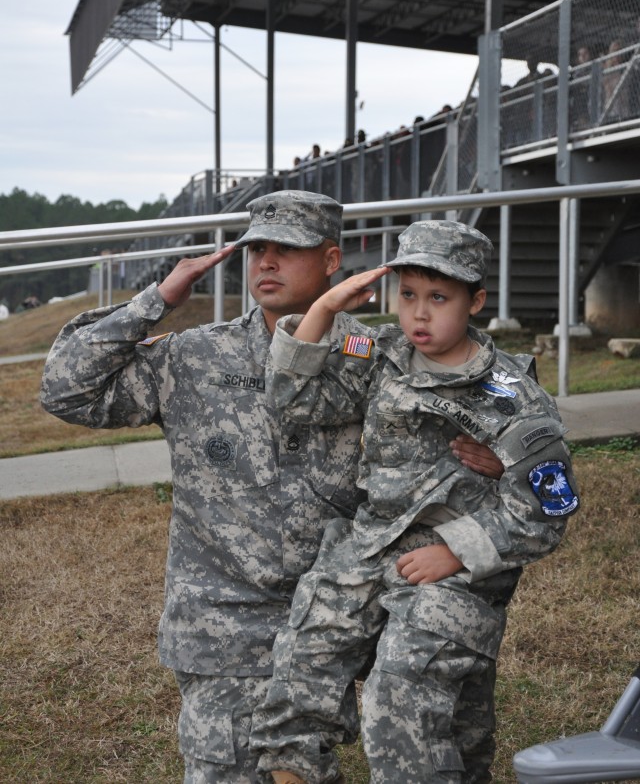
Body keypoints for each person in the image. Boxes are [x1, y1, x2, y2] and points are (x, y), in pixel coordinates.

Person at [39, 193, 502, 783]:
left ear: (332, 259)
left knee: (446, 750)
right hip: (229, 624)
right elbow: (65, 391)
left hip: (353, 605)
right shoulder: (196, 356)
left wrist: (492, 456)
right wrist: (157, 300)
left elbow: (485, 411)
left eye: (289, 250)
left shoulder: (381, 356)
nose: (267, 263)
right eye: (258, 248)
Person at [250, 219, 580, 784]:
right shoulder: (378, 352)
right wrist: (325, 310)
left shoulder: (511, 391)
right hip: (367, 546)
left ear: (475, 300)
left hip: (453, 568)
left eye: (438, 298)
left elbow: (548, 509)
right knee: (299, 673)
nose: (419, 315)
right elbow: (293, 400)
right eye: (407, 295)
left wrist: (456, 551)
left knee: (404, 694)